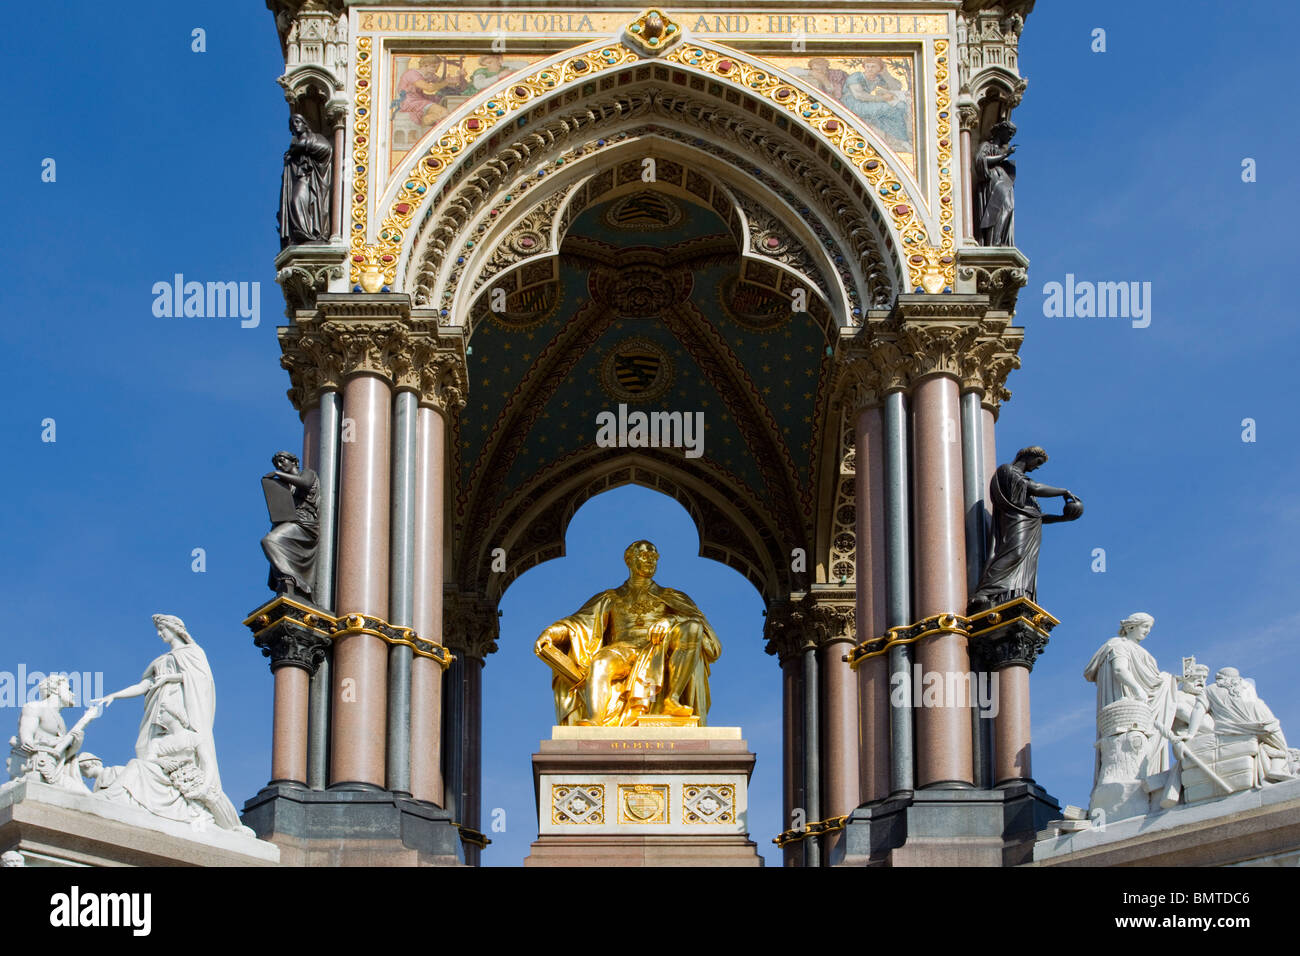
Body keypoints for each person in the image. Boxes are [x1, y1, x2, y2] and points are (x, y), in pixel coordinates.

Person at [535, 541, 721, 726]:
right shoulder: (611, 597)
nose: (651, 561)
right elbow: (577, 623)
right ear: (629, 560)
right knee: (600, 663)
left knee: (692, 628)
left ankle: (671, 699)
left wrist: (670, 621)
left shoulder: (671, 596)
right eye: (645, 555)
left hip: (660, 650)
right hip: (622, 650)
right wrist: (550, 633)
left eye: (654, 557)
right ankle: (595, 719)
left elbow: (702, 627)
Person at [90, 615, 246, 831]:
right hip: (158, 707)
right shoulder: (161, 660)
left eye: (162, 629)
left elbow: (201, 681)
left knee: (183, 749)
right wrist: (114, 695)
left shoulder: (193, 653)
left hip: (181, 704)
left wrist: (172, 679)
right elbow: (144, 685)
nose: (159, 633)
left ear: (175, 629)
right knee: (146, 752)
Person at [968, 445, 1080, 611]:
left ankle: (1013, 595)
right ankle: (985, 591)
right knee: (1015, 553)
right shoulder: (1008, 471)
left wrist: (1062, 518)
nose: (1038, 466)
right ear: (1028, 456)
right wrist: (1063, 491)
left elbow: (1036, 516)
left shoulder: (1026, 488)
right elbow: (1035, 488)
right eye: (1038, 461)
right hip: (1015, 522)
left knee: (1025, 565)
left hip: (1030, 530)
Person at [261, 451, 320, 600]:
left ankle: (293, 579)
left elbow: (305, 483)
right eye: (277, 465)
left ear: (295, 462)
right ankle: (289, 579)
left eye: (282, 461)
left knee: (269, 541)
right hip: (292, 522)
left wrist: (277, 474)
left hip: (305, 524)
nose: (280, 466)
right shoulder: (286, 487)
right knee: (271, 539)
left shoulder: (308, 473)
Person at [277, 114, 333, 249]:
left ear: (304, 123)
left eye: (298, 121)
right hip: (300, 180)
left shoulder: (315, 138)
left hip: (310, 181)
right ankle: (303, 233)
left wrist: (305, 145)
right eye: (293, 123)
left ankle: (310, 233)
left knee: (297, 200)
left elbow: (326, 149)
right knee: (294, 201)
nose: (296, 124)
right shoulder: (293, 147)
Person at [975, 119, 1016, 246]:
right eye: (1009, 133)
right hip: (994, 180)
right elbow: (981, 160)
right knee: (999, 208)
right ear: (1001, 131)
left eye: (1011, 135)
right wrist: (1004, 156)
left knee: (1008, 207)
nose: (1009, 137)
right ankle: (994, 241)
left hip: (1004, 179)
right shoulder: (987, 146)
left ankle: (1000, 239)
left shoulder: (999, 150)